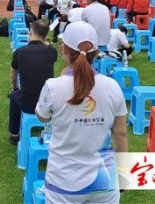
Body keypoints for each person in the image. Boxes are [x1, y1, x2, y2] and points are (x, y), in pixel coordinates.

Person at [35, 21, 128, 203]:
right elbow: (121, 133)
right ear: (96, 52)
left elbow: (42, 116)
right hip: (104, 181)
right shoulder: (113, 86)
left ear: (63, 49)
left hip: (63, 182)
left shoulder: (53, 86)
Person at [8, 19, 57, 145]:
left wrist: (15, 88)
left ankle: (14, 134)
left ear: (30, 32)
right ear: (46, 37)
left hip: (27, 104)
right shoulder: (52, 51)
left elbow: (13, 75)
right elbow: (47, 47)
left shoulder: (20, 52)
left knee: (14, 96)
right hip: (47, 104)